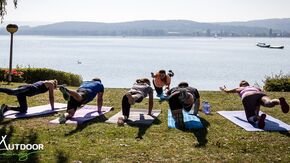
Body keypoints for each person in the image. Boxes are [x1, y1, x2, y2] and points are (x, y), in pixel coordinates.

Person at [220, 80, 289, 129]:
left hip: (248, 96)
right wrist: (257, 111)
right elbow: (257, 103)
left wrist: (223, 88)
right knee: (269, 102)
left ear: (241, 85)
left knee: (250, 118)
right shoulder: (256, 87)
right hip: (260, 94)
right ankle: (279, 101)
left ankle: (258, 118)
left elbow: (227, 91)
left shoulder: (240, 88)